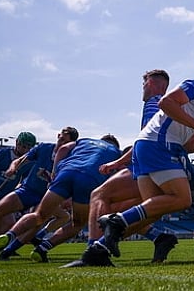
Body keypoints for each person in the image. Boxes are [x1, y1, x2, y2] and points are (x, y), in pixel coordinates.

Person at [94, 57, 194, 266]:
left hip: (149, 146)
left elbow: (188, 145)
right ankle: (116, 221)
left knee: (151, 212)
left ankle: (98, 248)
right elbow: (166, 102)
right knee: (182, 199)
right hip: (157, 145)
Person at [59, 69, 179, 266]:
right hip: (163, 166)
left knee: (99, 196)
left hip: (149, 167)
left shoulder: (153, 104)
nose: (142, 88)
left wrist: (118, 163)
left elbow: (148, 141)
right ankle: (159, 238)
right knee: (117, 212)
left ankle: (93, 253)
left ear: (150, 83)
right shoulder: (168, 106)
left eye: (143, 84)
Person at [0, 134, 122, 264]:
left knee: (38, 215)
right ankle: (42, 249)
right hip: (89, 179)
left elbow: (63, 149)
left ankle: (9, 236)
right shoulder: (116, 153)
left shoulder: (85, 141)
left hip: (66, 173)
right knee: (77, 223)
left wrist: (55, 172)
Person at [0, 127, 79, 260]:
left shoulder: (71, 159)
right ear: (58, 136)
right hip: (28, 189)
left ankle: (7, 252)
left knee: (37, 222)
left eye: (65, 142)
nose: (61, 143)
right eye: (61, 139)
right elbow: (19, 160)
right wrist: (12, 168)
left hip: (47, 195)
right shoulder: (44, 148)